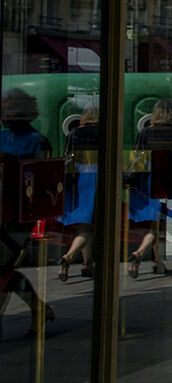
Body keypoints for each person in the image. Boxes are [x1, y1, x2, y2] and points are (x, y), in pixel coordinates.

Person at [0, 88, 55, 337]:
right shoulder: (3, 136)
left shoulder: (38, 141)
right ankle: (38, 308)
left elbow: (40, 180)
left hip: (17, 215)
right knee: (5, 268)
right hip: (4, 209)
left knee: (4, 266)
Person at [129, 98, 172, 278]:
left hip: (148, 182)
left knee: (155, 223)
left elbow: (137, 160)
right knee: (160, 225)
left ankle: (155, 260)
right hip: (169, 183)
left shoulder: (146, 133)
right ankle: (142, 254)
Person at [60, 105, 100, 281]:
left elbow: (68, 157)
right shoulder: (103, 131)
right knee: (89, 226)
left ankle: (87, 263)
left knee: (84, 225)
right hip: (95, 178)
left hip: (78, 180)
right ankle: (69, 257)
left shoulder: (74, 133)